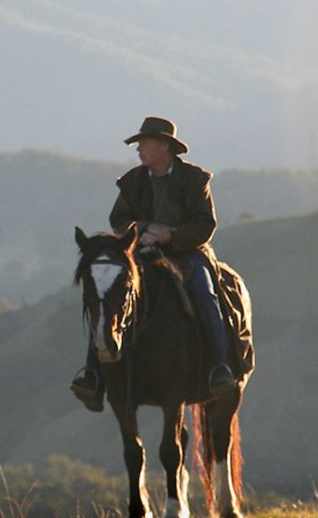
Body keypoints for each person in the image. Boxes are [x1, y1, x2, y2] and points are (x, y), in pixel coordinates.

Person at [70, 117, 235, 411]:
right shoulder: (132, 181)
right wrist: (147, 229)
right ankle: (93, 375)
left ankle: (220, 367)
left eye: (144, 144)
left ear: (163, 147)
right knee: (107, 295)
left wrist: (170, 235)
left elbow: (205, 224)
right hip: (143, 251)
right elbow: (118, 220)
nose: (139, 150)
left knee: (206, 294)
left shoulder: (195, 180)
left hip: (188, 253)